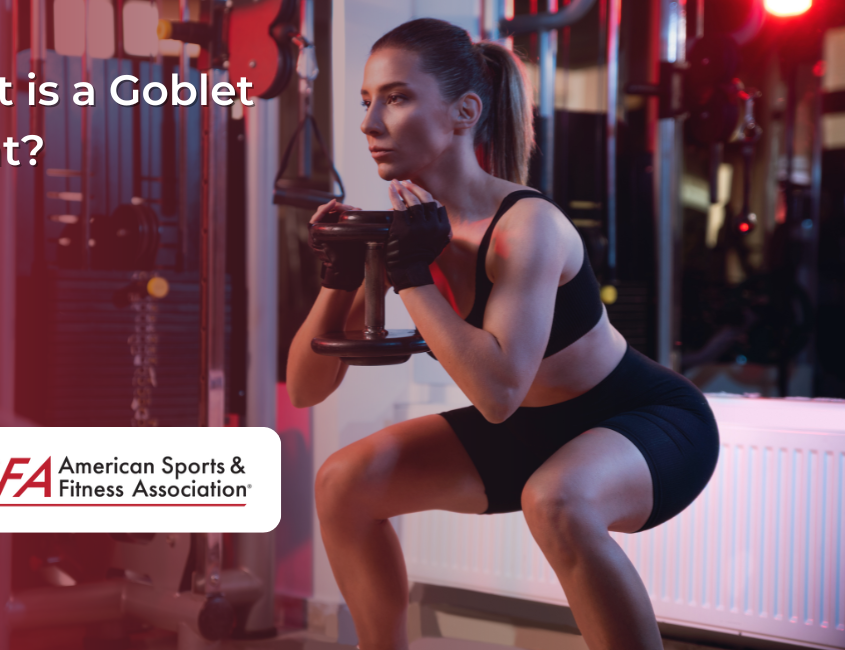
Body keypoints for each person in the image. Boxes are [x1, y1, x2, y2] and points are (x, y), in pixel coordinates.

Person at [286, 18, 719, 650]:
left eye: (397, 97)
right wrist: (340, 276)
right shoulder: (412, 230)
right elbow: (306, 385)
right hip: (532, 427)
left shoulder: (526, 227)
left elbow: (496, 394)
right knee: (344, 482)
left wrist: (409, 275)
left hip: (646, 417)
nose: (369, 122)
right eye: (367, 101)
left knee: (557, 501)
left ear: (465, 112)